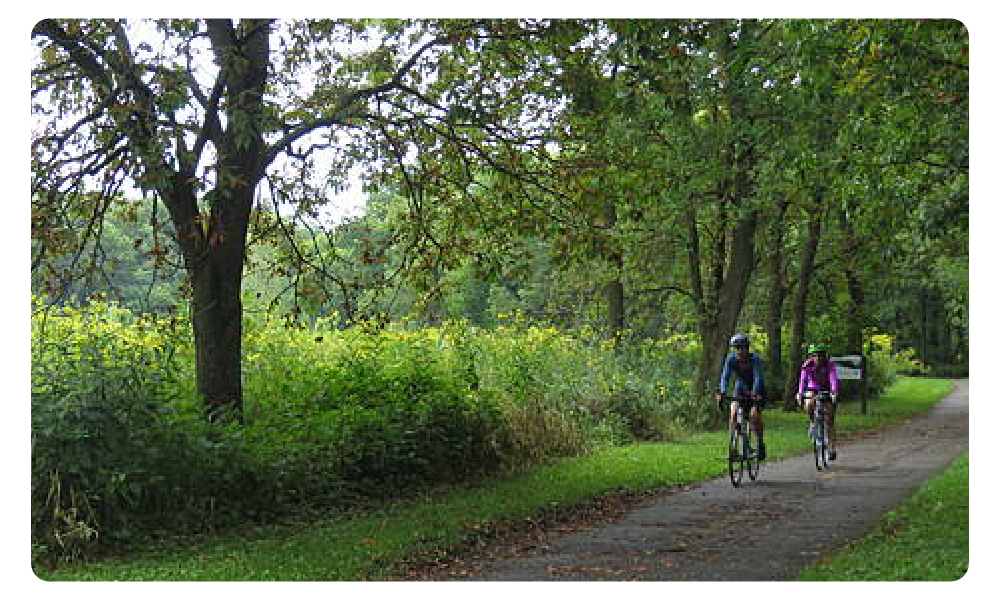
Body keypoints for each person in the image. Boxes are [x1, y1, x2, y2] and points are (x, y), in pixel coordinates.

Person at [716, 333, 767, 460]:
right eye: (736, 348)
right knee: (733, 414)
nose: (739, 351)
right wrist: (722, 391)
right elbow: (725, 377)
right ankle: (733, 449)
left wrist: (755, 393)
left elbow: (758, 377)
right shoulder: (731, 359)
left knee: (754, 416)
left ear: (747, 348)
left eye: (741, 347)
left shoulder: (755, 359)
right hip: (740, 389)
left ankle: (760, 443)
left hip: (757, 389)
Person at [796, 343, 840, 460]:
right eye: (815, 355)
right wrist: (800, 394)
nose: (818, 358)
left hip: (826, 389)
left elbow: (833, 379)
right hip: (813, 388)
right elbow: (802, 381)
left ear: (825, 356)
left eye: (821, 355)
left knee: (830, 418)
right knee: (809, 403)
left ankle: (831, 448)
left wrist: (834, 392)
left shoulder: (830, 365)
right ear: (811, 356)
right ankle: (812, 422)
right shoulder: (807, 366)